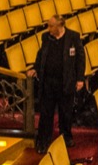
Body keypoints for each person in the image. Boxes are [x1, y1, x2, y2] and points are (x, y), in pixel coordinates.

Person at [32, 15, 85, 151]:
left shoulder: (73, 37)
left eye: (51, 26)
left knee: (65, 112)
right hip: (48, 82)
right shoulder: (46, 37)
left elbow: (80, 59)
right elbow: (40, 55)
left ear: (59, 26)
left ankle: (66, 137)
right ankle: (43, 142)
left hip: (65, 81)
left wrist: (80, 78)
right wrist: (35, 68)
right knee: (46, 113)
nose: (48, 29)